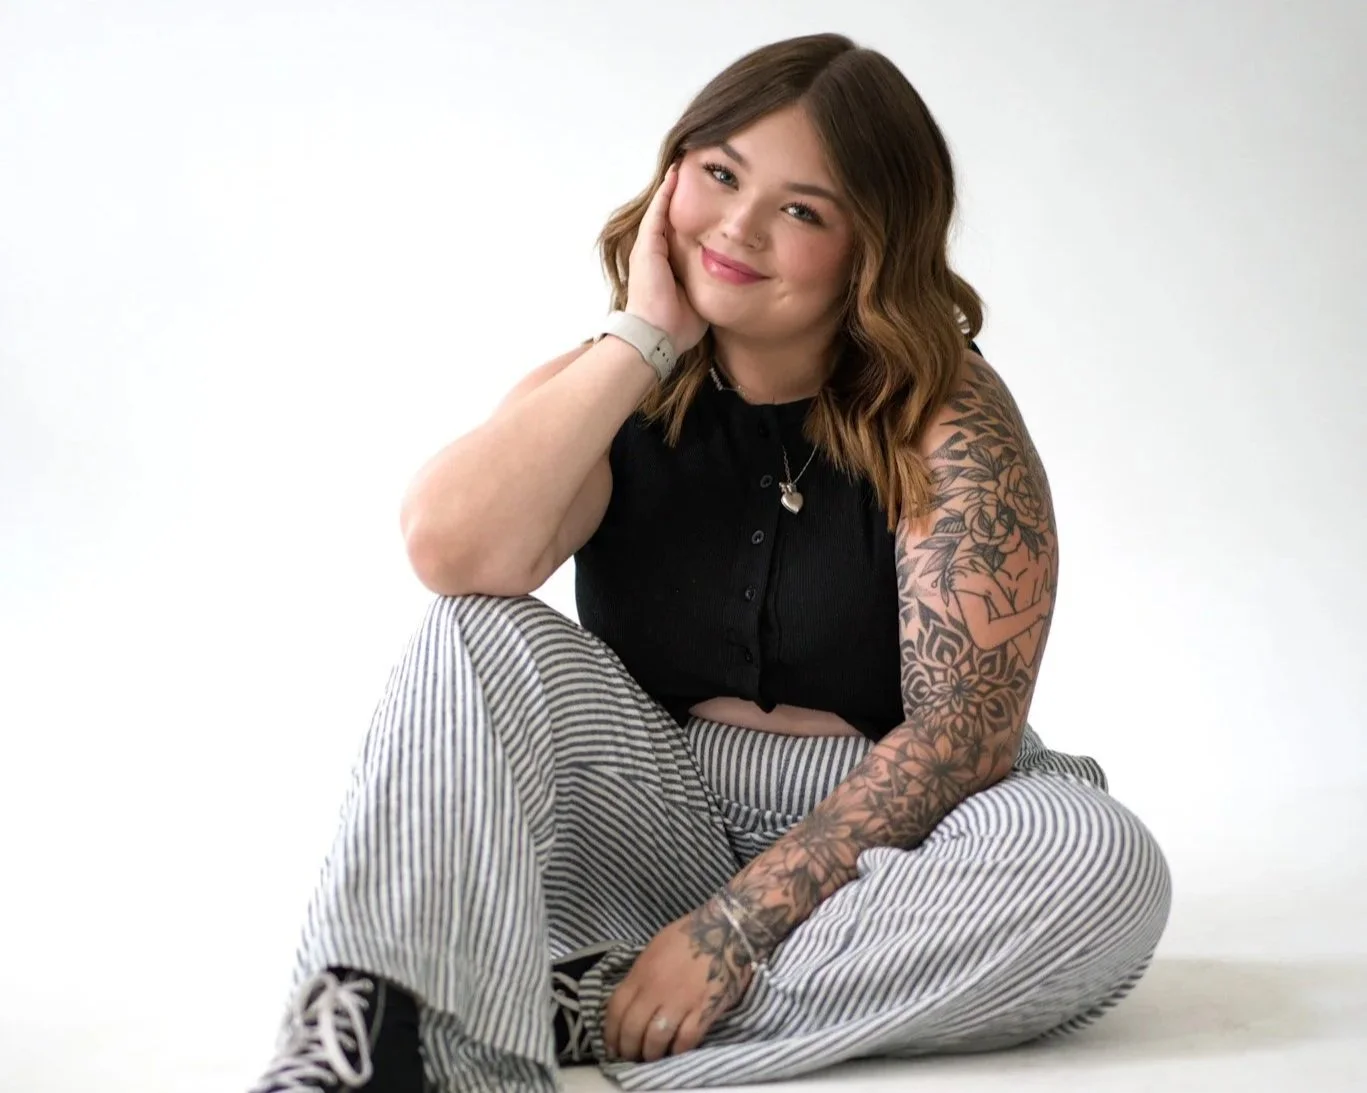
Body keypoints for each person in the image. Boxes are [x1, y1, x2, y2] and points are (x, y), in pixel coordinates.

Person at [249, 31, 1171, 1093]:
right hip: (643, 800)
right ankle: (367, 1040)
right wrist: (644, 336)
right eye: (719, 173)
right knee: (476, 630)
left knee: (1097, 864)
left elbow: (961, 740)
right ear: (670, 174)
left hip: (878, 835)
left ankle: (557, 1010)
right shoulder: (610, 384)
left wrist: (732, 928)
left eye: (801, 209)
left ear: (870, 247)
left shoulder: (945, 415)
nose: (736, 226)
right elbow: (449, 554)